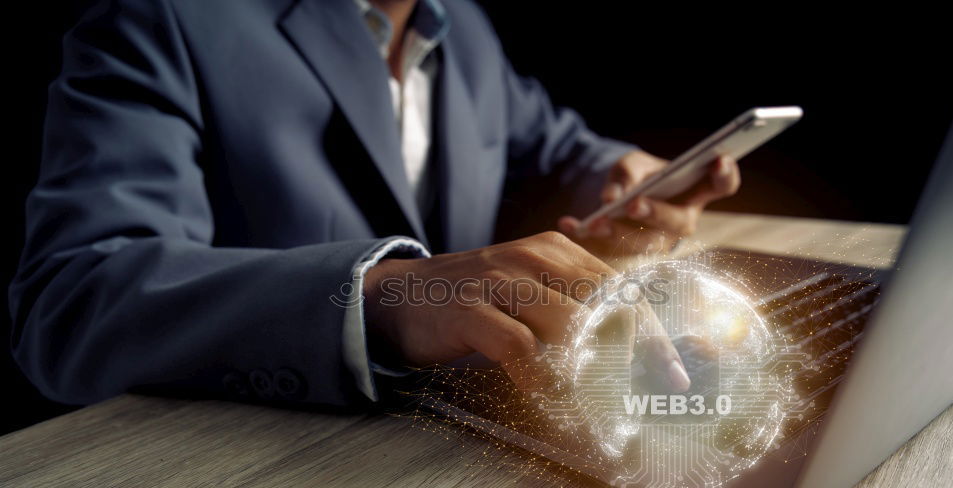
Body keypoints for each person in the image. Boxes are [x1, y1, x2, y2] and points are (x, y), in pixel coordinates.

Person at [9, 0, 740, 410]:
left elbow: (555, 143)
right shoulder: (165, 20)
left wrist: (626, 176)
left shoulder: (467, 32)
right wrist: (380, 298)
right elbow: (71, 301)